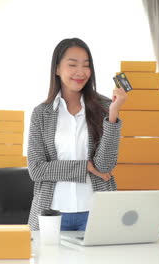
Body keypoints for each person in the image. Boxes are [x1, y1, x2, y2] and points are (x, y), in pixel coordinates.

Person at [27, 38, 128, 231]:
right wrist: (86, 167)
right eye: (72, 64)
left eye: (86, 65)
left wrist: (113, 115)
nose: (80, 72)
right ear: (57, 69)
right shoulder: (41, 113)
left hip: (96, 212)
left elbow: (105, 165)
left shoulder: (105, 107)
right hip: (51, 213)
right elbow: (36, 169)